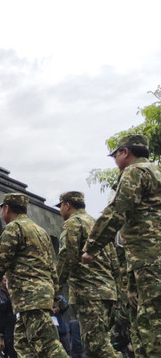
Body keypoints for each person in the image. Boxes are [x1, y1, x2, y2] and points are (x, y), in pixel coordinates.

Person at [81, 134, 161, 356]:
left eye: (115, 155)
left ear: (125, 152)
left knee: (151, 325)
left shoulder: (135, 172)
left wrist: (92, 247)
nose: (115, 160)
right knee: (143, 322)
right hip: (148, 259)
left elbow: (118, 211)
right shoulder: (157, 173)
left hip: (148, 258)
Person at [0, 193, 67, 358]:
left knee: (49, 346)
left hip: (30, 298)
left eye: (2, 208)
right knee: (23, 345)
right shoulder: (41, 231)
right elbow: (51, 268)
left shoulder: (14, 228)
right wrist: (55, 297)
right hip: (37, 297)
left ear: (7, 208)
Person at [55, 191, 119, 357]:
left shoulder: (73, 224)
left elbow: (67, 258)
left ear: (67, 205)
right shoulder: (95, 223)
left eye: (60, 206)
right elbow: (114, 261)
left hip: (90, 293)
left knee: (97, 347)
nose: (60, 211)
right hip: (107, 292)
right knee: (99, 344)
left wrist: (55, 287)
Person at [0, 275, 16, 358]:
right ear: (0, 283)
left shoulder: (12, 295)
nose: (8, 283)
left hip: (16, 329)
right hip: (6, 331)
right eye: (5, 281)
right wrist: (0, 336)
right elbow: (1, 314)